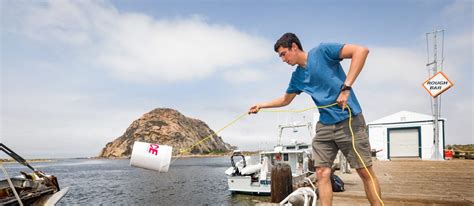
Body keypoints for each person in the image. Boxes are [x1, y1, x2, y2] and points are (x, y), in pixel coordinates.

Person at [248, 33, 382, 206]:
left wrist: (346, 87)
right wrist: (261, 105)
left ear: (294, 47)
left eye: (283, 54)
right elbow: (285, 100)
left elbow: (361, 51)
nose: (282, 59)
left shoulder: (322, 51)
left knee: (365, 172)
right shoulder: (297, 77)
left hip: (349, 121)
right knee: (321, 173)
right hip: (325, 126)